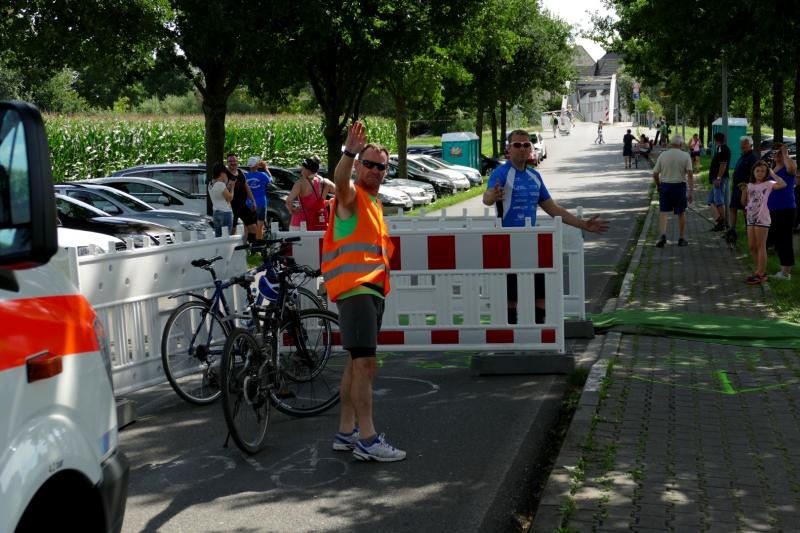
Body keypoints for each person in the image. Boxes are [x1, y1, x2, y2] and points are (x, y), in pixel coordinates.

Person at [322, 121, 404, 462]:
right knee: (366, 365)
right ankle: (368, 439)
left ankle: (346, 433)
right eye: (368, 164)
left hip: (367, 291)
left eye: (380, 167)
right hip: (356, 290)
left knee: (356, 364)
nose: (374, 170)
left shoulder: (373, 203)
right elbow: (340, 182)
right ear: (358, 166)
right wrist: (348, 152)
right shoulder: (352, 196)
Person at [482, 129, 609, 324]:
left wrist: (583, 224)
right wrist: (492, 196)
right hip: (507, 242)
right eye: (517, 145)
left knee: (540, 294)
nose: (522, 148)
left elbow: (553, 209)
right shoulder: (501, 173)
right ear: (509, 149)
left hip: (532, 241)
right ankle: (511, 334)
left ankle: (538, 330)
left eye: (526, 145)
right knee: (511, 297)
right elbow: (487, 197)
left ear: (530, 148)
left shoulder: (534, 176)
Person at [740, 161, 787, 284]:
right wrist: (744, 192)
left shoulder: (769, 184)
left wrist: (773, 174)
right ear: (753, 172)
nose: (760, 173)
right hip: (751, 218)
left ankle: (761, 274)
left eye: (763, 171)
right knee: (752, 246)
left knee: (761, 246)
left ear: (766, 173)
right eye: (757, 171)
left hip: (762, 218)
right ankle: (759, 271)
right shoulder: (750, 185)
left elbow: (783, 184)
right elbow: (744, 203)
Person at [652, 134, 694, 247]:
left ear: (671, 144)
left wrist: (659, 185)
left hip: (665, 186)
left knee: (663, 212)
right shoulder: (686, 156)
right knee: (681, 212)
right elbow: (690, 175)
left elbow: (655, 174)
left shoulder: (663, 155)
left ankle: (663, 235)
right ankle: (681, 238)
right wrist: (691, 192)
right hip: (679, 187)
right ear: (681, 144)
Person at [766, 143, 797, 280]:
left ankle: (785, 273)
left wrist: (785, 153)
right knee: (776, 239)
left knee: (785, 239)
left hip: (786, 208)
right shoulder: (774, 168)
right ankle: (778, 268)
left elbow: (791, 168)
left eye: (779, 152)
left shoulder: (789, 165)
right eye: (775, 152)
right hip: (772, 208)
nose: (776, 154)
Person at [286, 156, 335, 231]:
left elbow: (288, 201)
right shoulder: (326, 182)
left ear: (308, 170)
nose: (301, 168)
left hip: (300, 223)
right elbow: (341, 192)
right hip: (319, 223)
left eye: (303, 167)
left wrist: (292, 210)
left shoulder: (300, 183)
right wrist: (330, 201)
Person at [727, 135, 759, 242]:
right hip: (737, 188)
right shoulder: (742, 156)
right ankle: (732, 229)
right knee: (733, 208)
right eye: (741, 146)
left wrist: (748, 187)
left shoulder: (753, 157)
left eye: (744, 146)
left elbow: (754, 174)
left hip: (745, 188)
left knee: (746, 210)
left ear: (750, 145)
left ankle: (748, 230)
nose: (742, 148)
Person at [225, 153, 258, 243]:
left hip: (242, 205)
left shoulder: (240, 172)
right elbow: (223, 190)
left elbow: (247, 188)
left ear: (237, 161)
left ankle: (251, 248)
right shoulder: (225, 174)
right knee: (232, 231)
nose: (233, 163)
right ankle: (230, 249)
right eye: (230, 161)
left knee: (253, 228)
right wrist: (231, 185)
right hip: (231, 207)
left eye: (234, 161)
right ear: (227, 162)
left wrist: (253, 201)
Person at [708, 132, 731, 232]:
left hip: (719, 180)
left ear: (716, 140)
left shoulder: (723, 149)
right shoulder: (720, 148)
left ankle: (723, 223)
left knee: (719, 201)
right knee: (711, 200)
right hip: (716, 179)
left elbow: (723, 164)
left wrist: (718, 178)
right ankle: (720, 221)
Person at [244, 156, 271, 240]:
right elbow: (271, 180)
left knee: (247, 226)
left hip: (249, 203)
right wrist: (266, 168)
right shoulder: (262, 175)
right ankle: (259, 244)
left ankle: (245, 244)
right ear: (257, 165)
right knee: (260, 226)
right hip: (261, 203)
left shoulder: (245, 176)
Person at [208, 162, 233, 237]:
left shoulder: (210, 184)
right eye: (225, 173)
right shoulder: (221, 184)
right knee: (226, 237)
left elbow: (220, 194)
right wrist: (232, 187)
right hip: (225, 212)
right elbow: (229, 198)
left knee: (218, 237)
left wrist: (227, 186)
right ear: (221, 173)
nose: (225, 175)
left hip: (216, 213)